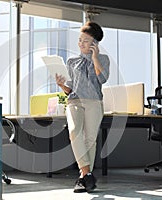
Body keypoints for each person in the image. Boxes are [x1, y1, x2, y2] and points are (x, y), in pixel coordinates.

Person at [56, 21, 110, 193]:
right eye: (80, 40)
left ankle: (83, 178)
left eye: (85, 41)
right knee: (74, 132)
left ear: (95, 43)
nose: (81, 43)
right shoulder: (72, 62)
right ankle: (87, 173)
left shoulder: (102, 59)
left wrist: (94, 58)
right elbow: (69, 88)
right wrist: (61, 85)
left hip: (94, 102)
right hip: (74, 101)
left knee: (90, 140)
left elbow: (103, 79)